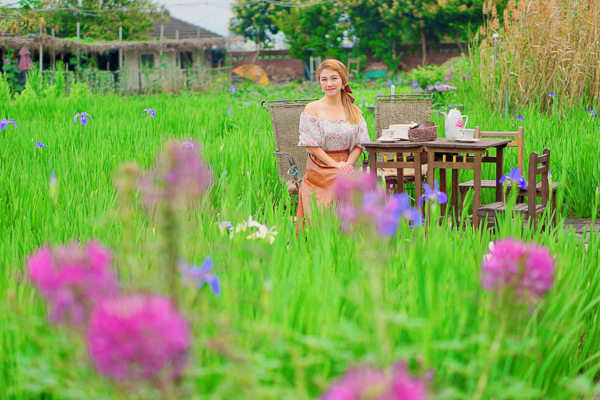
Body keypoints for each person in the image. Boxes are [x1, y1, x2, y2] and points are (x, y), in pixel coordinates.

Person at [296, 59, 370, 226]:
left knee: (354, 181)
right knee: (340, 178)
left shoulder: (354, 110)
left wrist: (347, 164)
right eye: (324, 79)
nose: (329, 83)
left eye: (334, 78)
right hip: (320, 165)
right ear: (320, 83)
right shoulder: (313, 108)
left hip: (346, 163)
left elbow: (360, 144)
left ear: (343, 81)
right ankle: (326, 233)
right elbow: (311, 145)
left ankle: (352, 236)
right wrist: (336, 165)